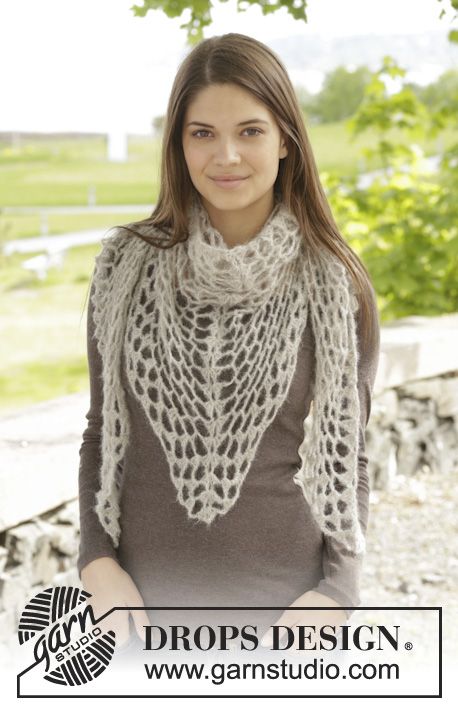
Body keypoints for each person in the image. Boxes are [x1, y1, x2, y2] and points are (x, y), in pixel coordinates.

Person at [77, 32, 380, 659]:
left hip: (289, 619)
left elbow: (349, 453)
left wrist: (337, 592)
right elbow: (101, 434)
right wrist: (95, 561)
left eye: (250, 131)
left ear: (286, 141)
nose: (227, 156)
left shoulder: (334, 281)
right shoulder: (124, 268)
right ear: (178, 144)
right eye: (202, 133)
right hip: (138, 612)